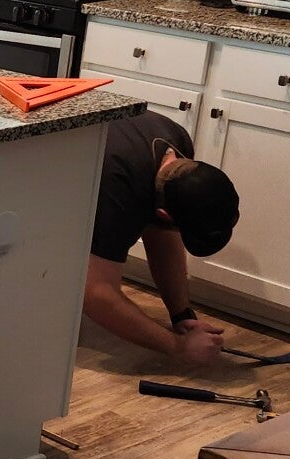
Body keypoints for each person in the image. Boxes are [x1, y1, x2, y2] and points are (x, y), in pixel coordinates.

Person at [83, 111, 241, 366]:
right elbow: (96, 294)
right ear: (164, 214)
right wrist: (177, 347)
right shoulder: (117, 184)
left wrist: (181, 316)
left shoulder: (177, 144)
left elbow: (162, 234)